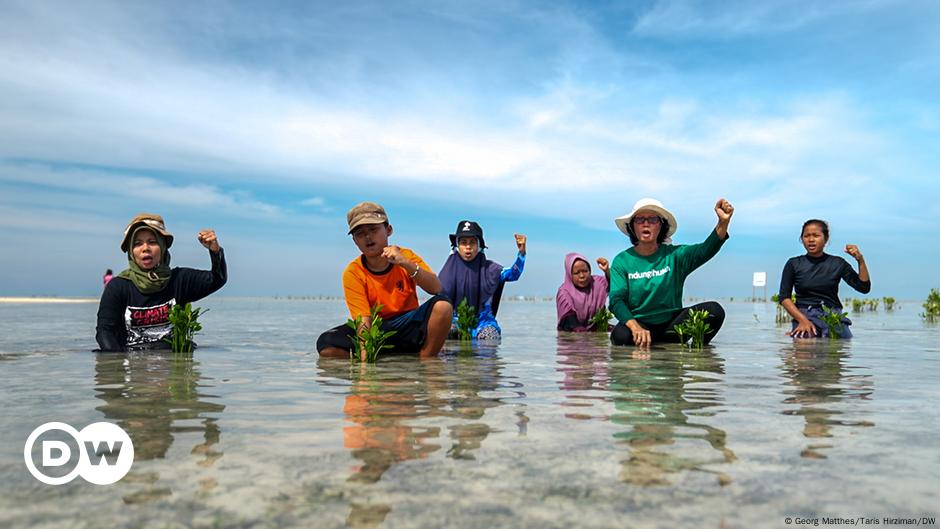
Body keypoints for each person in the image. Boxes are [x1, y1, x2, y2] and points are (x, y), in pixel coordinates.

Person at [317, 202, 453, 359]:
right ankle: (384, 358)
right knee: (326, 344)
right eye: (360, 234)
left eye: (373, 230)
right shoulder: (353, 272)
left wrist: (405, 263)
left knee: (443, 305)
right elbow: (363, 319)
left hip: (408, 324)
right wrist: (365, 366)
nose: (368, 237)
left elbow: (436, 288)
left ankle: (426, 361)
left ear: (388, 230)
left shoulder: (406, 256)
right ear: (354, 240)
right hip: (378, 328)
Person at [609, 198, 733, 347]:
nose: (646, 223)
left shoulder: (675, 256)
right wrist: (635, 327)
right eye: (640, 219)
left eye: (653, 219)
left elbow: (705, 249)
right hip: (639, 325)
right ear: (632, 226)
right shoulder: (622, 261)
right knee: (619, 336)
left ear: (661, 226)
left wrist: (723, 222)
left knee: (714, 311)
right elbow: (616, 300)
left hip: (672, 327)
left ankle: (698, 353)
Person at [95, 213, 227, 351]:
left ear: (163, 246)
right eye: (137, 243)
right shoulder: (117, 287)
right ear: (131, 251)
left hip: (173, 368)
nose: (145, 248)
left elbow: (218, 279)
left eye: (152, 242)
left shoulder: (180, 280)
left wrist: (215, 250)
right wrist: (117, 364)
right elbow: (105, 332)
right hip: (133, 367)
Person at [778, 219, 871, 339]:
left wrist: (860, 260)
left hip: (833, 316)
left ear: (826, 239)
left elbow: (864, 288)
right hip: (804, 314)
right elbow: (784, 297)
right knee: (803, 350)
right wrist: (802, 320)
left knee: (842, 348)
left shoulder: (838, 263)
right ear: (802, 239)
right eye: (806, 236)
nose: (811, 239)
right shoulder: (793, 264)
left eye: (816, 235)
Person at [437, 220, 525, 340]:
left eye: (472, 242)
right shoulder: (447, 272)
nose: (468, 247)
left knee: (489, 337)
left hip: (483, 323)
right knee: (445, 334)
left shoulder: (491, 269)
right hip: (456, 322)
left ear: (479, 245)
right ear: (457, 246)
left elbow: (513, 274)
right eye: (463, 242)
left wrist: (521, 253)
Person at [556, 253, 611, 332]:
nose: (582, 276)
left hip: (595, 326)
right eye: (576, 273)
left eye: (585, 271)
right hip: (572, 330)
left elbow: (615, 283)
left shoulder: (597, 283)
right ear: (569, 275)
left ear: (590, 270)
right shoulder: (564, 292)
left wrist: (607, 270)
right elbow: (569, 319)